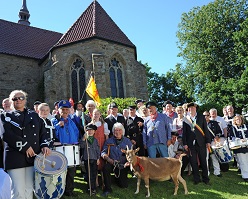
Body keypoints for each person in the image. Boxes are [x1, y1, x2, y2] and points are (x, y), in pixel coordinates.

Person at [1, 90, 50, 199]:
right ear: (11, 101)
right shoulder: (5, 116)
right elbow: (6, 135)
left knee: (29, 190)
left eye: (21, 98)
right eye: (15, 98)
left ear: (25, 100)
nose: (18, 100)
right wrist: (25, 146)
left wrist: (44, 145)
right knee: (18, 191)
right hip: (15, 158)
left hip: (32, 157)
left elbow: (43, 132)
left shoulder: (34, 115)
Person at [52, 100, 80, 196]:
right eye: (62, 109)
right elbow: (51, 134)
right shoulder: (54, 121)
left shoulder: (71, 121)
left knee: (71, 172)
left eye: (66, 109)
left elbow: (76, 133)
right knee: (60, 173)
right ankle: (60, 192)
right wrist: (58, 126)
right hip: (60, 150)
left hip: (71, 150)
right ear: (58, 110)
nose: (65, 111)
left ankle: (69, 191)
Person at [182, 102, 211, 185]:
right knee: (193, 162)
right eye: (190, 108)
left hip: (201, 142)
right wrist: (185, 143)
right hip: (191, 144)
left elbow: (206, 130)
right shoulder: (185, 119)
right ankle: (196, 179)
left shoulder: (201, 117)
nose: (191, 109)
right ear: (188, 109)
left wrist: (208, 141)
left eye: (193, 108)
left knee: (203, 161)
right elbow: (184, 133)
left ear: (196, 109)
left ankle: (206, 179)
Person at [101, 123, 132, 197]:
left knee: (123, 185)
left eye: (119, 130)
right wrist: (108, 159)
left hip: (122, 165)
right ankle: (107, 189)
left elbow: (132, 154)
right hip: (112, 163)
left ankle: (117, 178)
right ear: (113, 132)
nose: (117, 132)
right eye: (115, 130)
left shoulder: (127, 141)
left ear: (122, 131)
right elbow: (103, 152)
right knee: (105, 168)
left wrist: (128, 162)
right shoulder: (109, 141)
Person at [80, 123, 100, 195]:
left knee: (94, 174)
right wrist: (83, 139)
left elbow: (98, 149)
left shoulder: (95, 140)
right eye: (88, 130)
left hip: (94, 158)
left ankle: (93, 187)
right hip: (87, 158)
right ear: (86, 131)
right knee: (89, 173)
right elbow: (81, 146)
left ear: (94, 131)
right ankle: (89, 187)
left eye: (92, 130)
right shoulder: (84, 139)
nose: (90, 131)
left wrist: (98, 158)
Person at [203, 111, 223, 177]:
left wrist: (217, 136)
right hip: (205, 143)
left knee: (215, 157)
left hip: (213, 142)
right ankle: (207, 171)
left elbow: (219, 132)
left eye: (207, 115)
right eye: (204, 115)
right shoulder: (200, 124)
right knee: (205, 157)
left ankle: (217, 171)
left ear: (209, 116)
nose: (206, 117)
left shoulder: (214, 123)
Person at [229, 115, 248, 182]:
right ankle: (245, 176)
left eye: (239, 119)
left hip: (247, 145)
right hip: (239, 147)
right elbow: (232, 137)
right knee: (243, 162)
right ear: (235, 121)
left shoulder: (246, 126)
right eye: (237, 119)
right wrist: (240, 140)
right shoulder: (233, 128)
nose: (238, 120)